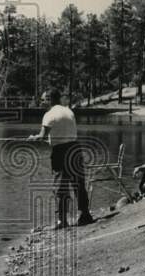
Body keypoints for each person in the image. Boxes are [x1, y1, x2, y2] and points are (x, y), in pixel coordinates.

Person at [27, 89, 95, 228]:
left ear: (50, 99)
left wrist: (33, 138)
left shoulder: (49, 114)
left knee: (60, 186)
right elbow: (65, 132)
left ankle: (62, 220)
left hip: (61, 152)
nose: (41, 102)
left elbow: (42, 136)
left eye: (43, 99)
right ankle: (85, 215)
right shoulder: (68, 111)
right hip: (75, 148)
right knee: (78, 184)